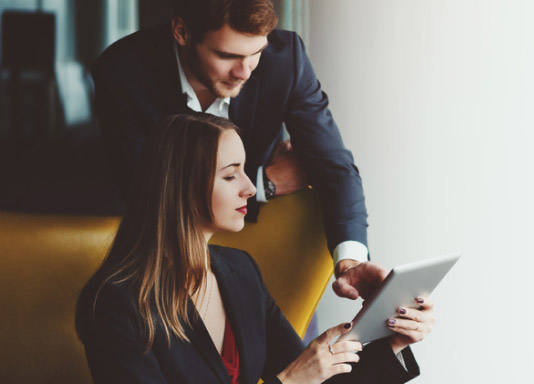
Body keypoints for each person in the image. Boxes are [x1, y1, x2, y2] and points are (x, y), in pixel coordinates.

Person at [75, 113, 434, 384]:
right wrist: (290, 381)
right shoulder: (115, 304)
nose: (250, 187)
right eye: (231, 175)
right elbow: (297, 378)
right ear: (179, 186)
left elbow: (317, 380)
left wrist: (392, 339)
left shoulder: (239, 270)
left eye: (245, 171)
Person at [91, 0, 383, 302]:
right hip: (163, 256)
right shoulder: (122, 71)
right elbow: (143, 188)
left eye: (256, 53)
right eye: (226, 55)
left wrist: (352, 260)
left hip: (264, 246)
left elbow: (334, 167)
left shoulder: (285, 60)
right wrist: (262, 183)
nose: (244, 72)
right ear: (182, 32)